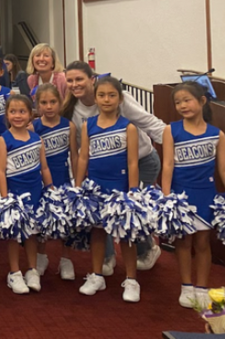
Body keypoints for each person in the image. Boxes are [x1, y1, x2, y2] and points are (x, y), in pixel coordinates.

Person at [62, 61, 165, 272]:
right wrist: (78, 181)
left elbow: (148, 122)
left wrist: (176, 141)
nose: (75, 84)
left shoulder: (119, 98)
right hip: (105, 168)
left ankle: (147, 248)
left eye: (79, 79)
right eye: (70, 80)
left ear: (92, 79)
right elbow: (81, 149)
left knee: (132, 209)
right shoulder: (73, 110)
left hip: (141, 161)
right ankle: (107, 258)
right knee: (102, 209)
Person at [161, 81, 225, 309]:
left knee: (204, 242)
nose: (182, 105)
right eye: (178, 102)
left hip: (206, 194)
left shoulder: (217, 134)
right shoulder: (171, 130)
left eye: (187, 100)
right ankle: (186, 286)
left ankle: (202, 287)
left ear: (202, 101)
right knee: (184, 242)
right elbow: (167, 165)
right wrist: (167, 197)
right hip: (180, 195)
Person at [74, 76, 141, 303]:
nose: (106, 99)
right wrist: (78, 185)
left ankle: (131, 279)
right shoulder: (88, 125)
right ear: (95, 97)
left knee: (126, 235)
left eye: (112, 95)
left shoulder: (128, 127)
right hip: (95, 188)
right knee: (98, 232)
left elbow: (133, 161)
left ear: (120, 98)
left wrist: (132, 191)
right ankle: (96, 275)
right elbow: (83, 157)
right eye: (101, 95)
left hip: (120, 189)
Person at [0, 95, 53, 295]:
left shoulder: (37, 138)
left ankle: (32, 270)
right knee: (14, 236)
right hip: (14, 195)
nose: (17, 116)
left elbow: (44, 167)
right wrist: (4, 197)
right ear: (7, 114)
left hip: (35, 193)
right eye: (13, 111)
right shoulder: (4, 139)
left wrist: (50, 187)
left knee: (32, 234)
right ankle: (14, 272)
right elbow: (0, 170)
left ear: (31, 114)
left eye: (22, 112)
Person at [32, 84, 79, 280]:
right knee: (42, 219)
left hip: (63, 178)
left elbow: (75, 155)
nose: (49, 106)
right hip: (41, 179)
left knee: (66, 220)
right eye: (44, 102)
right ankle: (41, 256)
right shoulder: (34, 126)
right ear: (38, 105)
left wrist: (77, 182)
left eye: (53, 102)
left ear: (60, 103)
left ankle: (66, 259)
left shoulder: (69, 125)